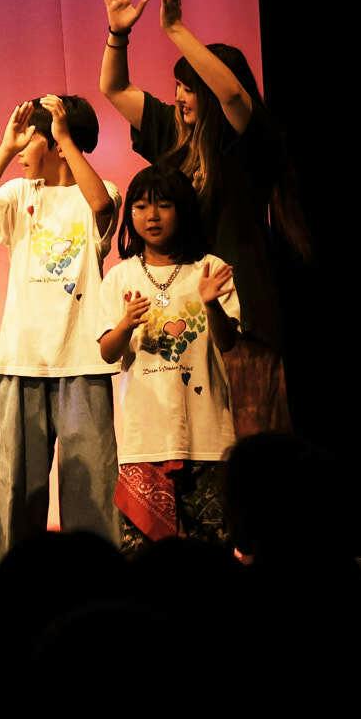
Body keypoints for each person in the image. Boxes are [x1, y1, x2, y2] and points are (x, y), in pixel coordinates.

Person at [98, 0, 292, 438]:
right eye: (178, 86)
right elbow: (115, 89)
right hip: (185, 311)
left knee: (250, 439)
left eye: (189, 88)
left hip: (241, 310)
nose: (179, 97)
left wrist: (175, 29)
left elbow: (232, 94)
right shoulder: (172, 133)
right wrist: (117, 35)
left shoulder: (242, 140)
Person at [0, 93, 118, 556]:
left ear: (55, 140)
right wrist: (5, 149)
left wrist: (64, 138)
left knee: (90, 487)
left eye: (31, 137)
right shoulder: (20, 193)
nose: (23, 148)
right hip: (23, 360)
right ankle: (13, 580)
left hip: (81, 360)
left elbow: (101, 205)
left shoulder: (100, 190)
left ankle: (95, 579)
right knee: (16, 486)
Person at [93, 167, 240, 549]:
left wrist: (212, 305)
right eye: (141, 207)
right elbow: (108, 352)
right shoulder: (120, 277)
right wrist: (126, 324)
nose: (152, 216)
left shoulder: (209, 268)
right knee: (143, 560)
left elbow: (227, 343)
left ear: (183, 209)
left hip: (207, 436)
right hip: (145, 437)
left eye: (163, 205)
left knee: (212, 553)